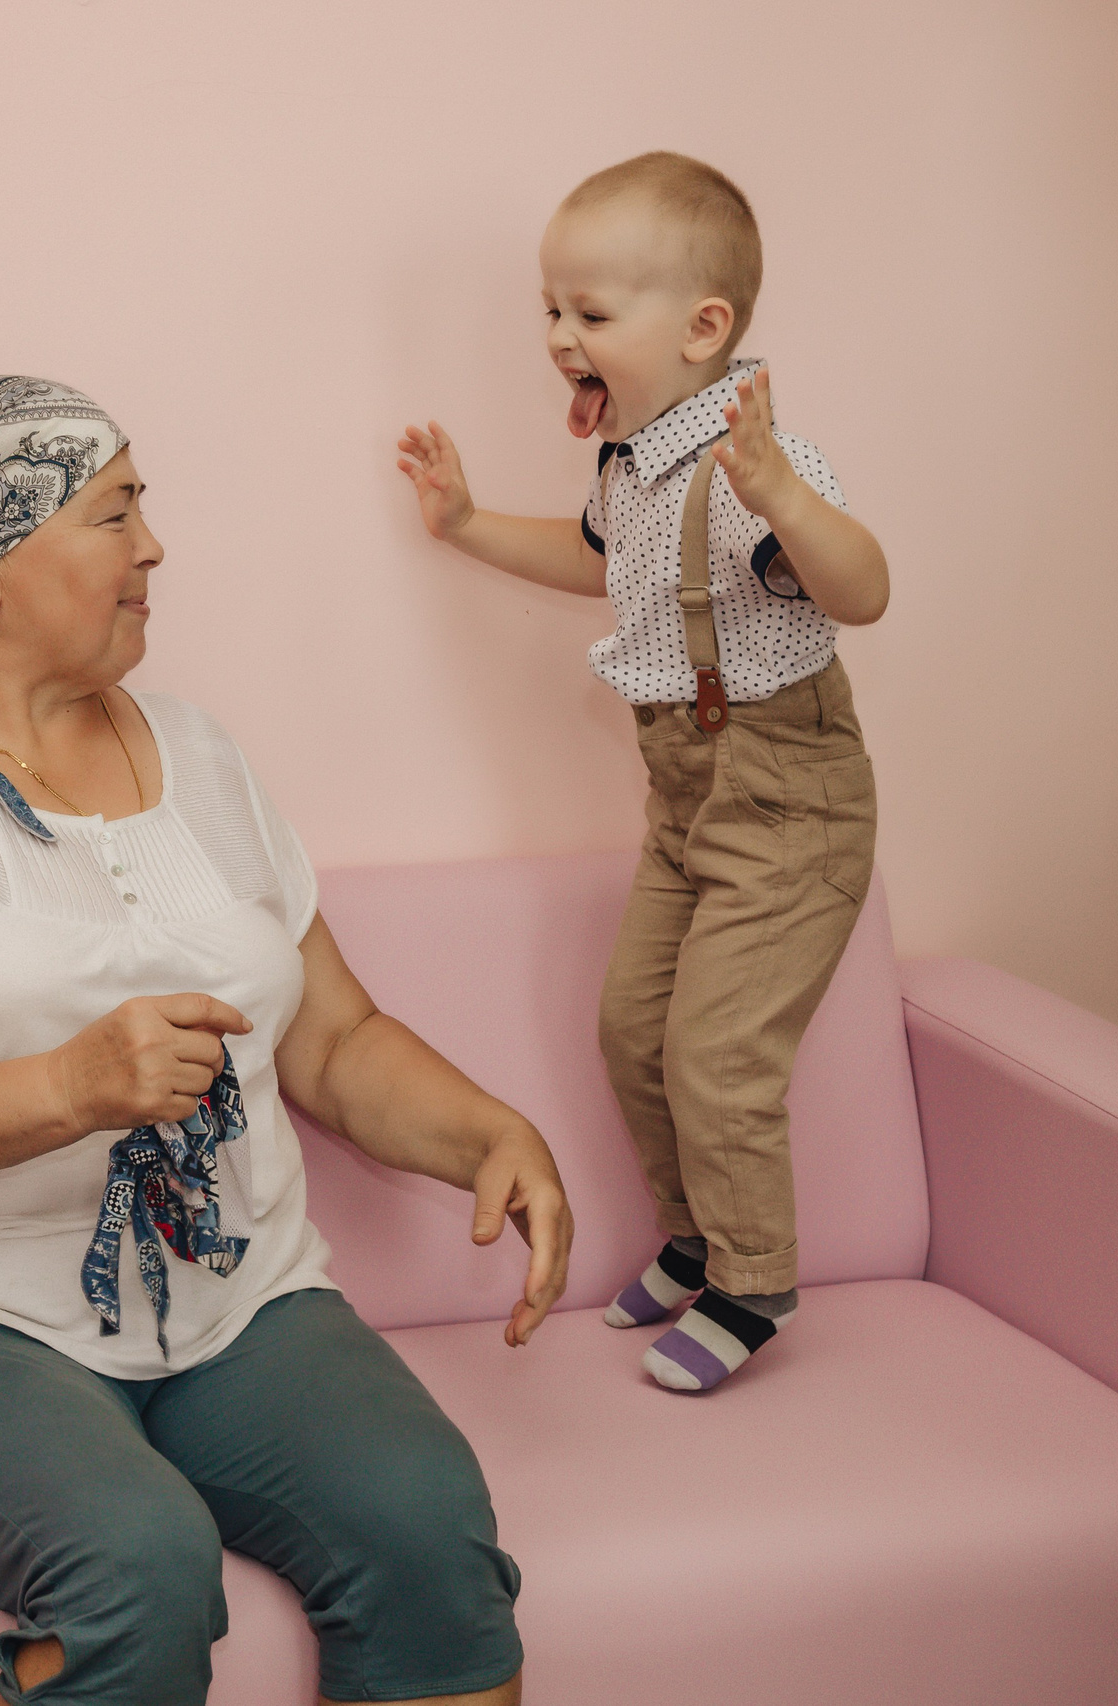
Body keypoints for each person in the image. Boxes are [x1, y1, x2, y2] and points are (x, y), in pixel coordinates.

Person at [0, 374, 573, 1705]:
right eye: (116, 514)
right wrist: (67, 1086)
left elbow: (330, 1037)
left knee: (425, 1522)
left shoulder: (202, 755)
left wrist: (490, 1135)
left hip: (234, 1295)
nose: (154, 547)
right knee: (138, 1561)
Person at [396, 152, 889, 1392]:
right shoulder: (634, 457)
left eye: (591, 314)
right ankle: (692, 1236)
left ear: (702, 327)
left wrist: (782, 495)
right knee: (633, 1031)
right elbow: (601, 558)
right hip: (685, 794)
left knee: (719, 1054)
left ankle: (755, 1277)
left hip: (788, 795)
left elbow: (863, 589)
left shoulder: (748, 464)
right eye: (550, 311)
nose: (559, 336)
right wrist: (461, 523)